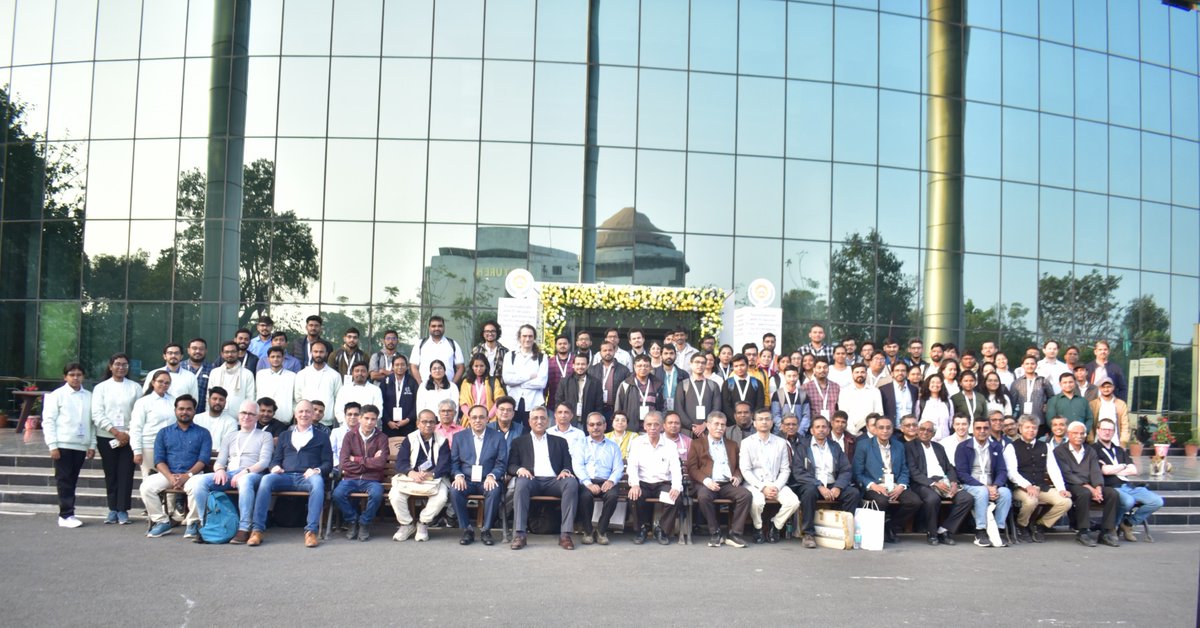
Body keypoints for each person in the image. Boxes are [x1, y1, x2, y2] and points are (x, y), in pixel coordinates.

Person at [249, 400, 332, 547]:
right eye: (301, 411)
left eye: (307, 411)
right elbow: (275, 459)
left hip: (307, 477)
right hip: (285, 476)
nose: (304, 414)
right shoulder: (285, 435)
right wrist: (274, 467)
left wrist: (316, 470)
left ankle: (311, 531)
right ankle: (257, 530)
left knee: (318, 482)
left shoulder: (322, 436)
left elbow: (328, 463)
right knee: (266, 480)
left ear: (312, 414)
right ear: (295, 414)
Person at [191, 401, 273, 544]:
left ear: (257, 417)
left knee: (245, 480)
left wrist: (245, 472)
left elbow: (264, 462)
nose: (246, 416)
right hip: (230, 474)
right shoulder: (230, 436)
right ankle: (207, 523)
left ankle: (244, 528)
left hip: (253, 474)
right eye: (243, 413)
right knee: (200, 482)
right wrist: (220, 470)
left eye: (251, 414)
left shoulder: (265, 436)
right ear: (238, 415)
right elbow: (220, 461)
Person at [505, 405, 579, 550]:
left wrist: (565, 471)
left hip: (554, 481)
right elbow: (511, 465)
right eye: (535, 418)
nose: (539, 421)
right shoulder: (519, 442)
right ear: (529, 421)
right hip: (531, 480)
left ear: (548, 421)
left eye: (542, 418)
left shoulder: (560, 441)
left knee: (571, 482)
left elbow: (568, 464)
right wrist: (520, 469)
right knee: (521, 483)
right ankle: (520, 534)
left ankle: (565, 535)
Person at [141, 395, 211, 539]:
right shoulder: (164, 433)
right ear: (175, 411)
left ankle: (192, 523)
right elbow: (159, 460)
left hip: (193, 475)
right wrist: (170, 477)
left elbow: (203, 460)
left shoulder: (203, 433)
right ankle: (161, 521)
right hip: (168, 474)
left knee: (197, 487)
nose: (184, 412)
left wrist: (187, 475)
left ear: (194, 411)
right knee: (146, 487)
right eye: (181, 409)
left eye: (188, 409)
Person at [682, 412, 749, 548]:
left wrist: (737, 476)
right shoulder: (697, 444)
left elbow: (739, 466)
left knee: (745, 495)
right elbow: (692, 468)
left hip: (727, 483)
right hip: (706, 483)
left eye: (723, 425)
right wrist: (706, 481)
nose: (720, 428)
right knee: (704, 496)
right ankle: (715, 532)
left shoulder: (732, 445)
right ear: (708, 425)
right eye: (716, 424)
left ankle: (734, 534)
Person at [793, 415, 860, 548]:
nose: (821, 430)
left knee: (853, 493)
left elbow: (846, 469)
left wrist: (838, 486)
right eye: (817, 427)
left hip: (832, 483)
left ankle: (843, 530)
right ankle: (808, 534)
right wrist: (819, 485)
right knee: (809, 492)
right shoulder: (803, 446)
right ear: (812, 430)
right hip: (812, 483)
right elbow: (798, 472)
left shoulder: (835, 446)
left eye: (824, 427)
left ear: (828, 430)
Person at [1004, 415, 1072, 543]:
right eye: (1027, 427)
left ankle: (1040, 525)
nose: (1031, 430)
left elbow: (1053, 469)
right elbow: (1011, 472)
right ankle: (1022, 526)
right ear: (1020, 429)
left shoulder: (1045, 446)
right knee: (1031, 501)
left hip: (1042, 487)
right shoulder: (1011, 447)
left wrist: (1061, 489)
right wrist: (1027, 485)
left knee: (1065, 502)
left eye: (1034, 428)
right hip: (1021, 488)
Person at [853, 415, 920, 544]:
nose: (885, 431)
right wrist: (873, 485)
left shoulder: (899, 446)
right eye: (881, 428)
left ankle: (890, 525)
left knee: (914, 501)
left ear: (892, 429)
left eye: (888, 428)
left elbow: (904, 469)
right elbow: (857, 473)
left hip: (895, 485)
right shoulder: (863, 445)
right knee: (882, 501)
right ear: (875, 429)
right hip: (874, 485)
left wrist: (901, 486)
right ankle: (881, 531)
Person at [1093, 418, 1162, 542]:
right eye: (1104, 429)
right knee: (1128, 501)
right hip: (1110, 488)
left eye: (1110, 430)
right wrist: (1123, 466)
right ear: (1098, 430)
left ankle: (1128, 523)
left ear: (1114, 432)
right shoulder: (1093, 449)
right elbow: (1104, 471)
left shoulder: (1119, 450)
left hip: (1128, 486)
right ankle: (1112, 527)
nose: (1107, 432)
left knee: (1157, 501)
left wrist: (1115, 468)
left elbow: (1134, 470)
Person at [905, 419, 973, 545]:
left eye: (929, 430)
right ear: (918, 431)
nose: (925, 432)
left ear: (933, 433)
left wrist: (953, 482)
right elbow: (913, 472)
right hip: (923, 483)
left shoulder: (938, 447)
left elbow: (949, 467)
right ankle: (932, 533)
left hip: (944, 481)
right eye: (922, 429)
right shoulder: (909, 446)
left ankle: (944, 529)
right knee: (932, 499)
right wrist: (934, 484)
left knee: (966, 498)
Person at [44, 363, 95, 529]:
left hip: (81, 445)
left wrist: (92, 444)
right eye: (72, 374)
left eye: (79, 375)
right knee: (64, 480)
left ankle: (69, 513)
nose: (75, 378)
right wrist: (52, 445)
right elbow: (48, 421)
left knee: (72, 480)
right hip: (62, 444)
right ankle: (65, 515)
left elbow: (92, 423)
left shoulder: (89, 396)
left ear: (83, 377)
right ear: (65, 377)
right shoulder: (57, 395)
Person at [449, 404, 508, 546]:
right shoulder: (459, 437)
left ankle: (486, 530)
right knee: (455, 490)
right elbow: (454, 463)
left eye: (481, 417)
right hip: (466, 479)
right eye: (474, 417)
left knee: (494, 490)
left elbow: (501, 463)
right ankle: (467, 529)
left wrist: (492, 475)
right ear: (469, 419)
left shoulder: (498, 437)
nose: (477, 420)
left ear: (488, 419)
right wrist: (458, 475)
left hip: (487, 479)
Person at [91, 353, 140, 525]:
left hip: (129, 437)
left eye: (124, 364)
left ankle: (123, 509)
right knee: (110, 473)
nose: (121, 367)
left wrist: (127, 433)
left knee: (126, 473)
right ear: (110, 366)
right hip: (106, 436)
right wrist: (115, 432)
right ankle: (112, 508)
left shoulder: (135, 387)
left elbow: (138, 413)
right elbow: (97, 413)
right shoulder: (101, 388)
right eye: (117, 364)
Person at [1054, 420, 1120, 547]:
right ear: (1068, 434)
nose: (1079, 436)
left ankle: (1106, 532)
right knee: (1084, 493)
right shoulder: (1060, 451)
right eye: (1075, 433)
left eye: (1082, 433)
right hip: (1072, 485)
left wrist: (1098, 488)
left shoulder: (1090, 450)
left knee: (1112, 493)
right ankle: (1083, 531)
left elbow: (1095, 471)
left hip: (1091, 485)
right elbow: (1067, 474)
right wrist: (1090, 489)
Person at [390, 410, 452, 543]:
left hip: (434, 478)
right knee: (395, 495)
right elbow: (401, 462)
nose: (428, 425)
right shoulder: (410, 438)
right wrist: (411, 473)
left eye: (431, 422)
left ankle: (423, 523)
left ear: (436, 424)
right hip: (411, 477)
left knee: (441, 497)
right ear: (418, 423)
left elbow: (445, 464)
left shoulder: (442, 440)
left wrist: (432, 474)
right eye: (424, 422)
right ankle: (406, 524)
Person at [739, 409, 799, 544]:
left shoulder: (781, 443)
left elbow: (785, 470)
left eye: (767, 419)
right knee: (757, 502)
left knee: (793, 502)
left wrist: (776, 486)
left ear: (772, 423)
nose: (764, 422)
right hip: (755, 484)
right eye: (760, 419)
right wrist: (762, 487)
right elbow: (745, 470)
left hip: (776, 483)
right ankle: (758, 527)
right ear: (754, 423)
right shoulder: (747, 443)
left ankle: (775, 526)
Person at [332, 405, 390, 541]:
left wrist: (357, 460)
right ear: (360, 418)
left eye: (373, 419)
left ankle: (364, 523)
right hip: (351, 478)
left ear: (377, 420)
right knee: (337, 494)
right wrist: (370, 461)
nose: (369, 422)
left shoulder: (382, 437)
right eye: (366, 418)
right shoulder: (349, 436)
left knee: (376, 494)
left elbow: (380, 463)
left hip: (372, 479)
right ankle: (352, 521)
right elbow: (344, 462)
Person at [954, 416, 1012, 547]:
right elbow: (961, 473)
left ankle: (999, 530)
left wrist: (995, 486)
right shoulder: (963, 447)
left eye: (985, 428)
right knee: (982, 492)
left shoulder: (996, 447)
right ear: (973, 430)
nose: (982, 431)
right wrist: (985, 487)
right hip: (971, 485)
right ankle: (980, 531)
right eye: (978, 428)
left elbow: (1002, 470)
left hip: (992, 485)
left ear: (990, 430)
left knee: (1005, 493)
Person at [627, 412, 683, 545]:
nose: (652, 428)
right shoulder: (637, 443)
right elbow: (632, 466)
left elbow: (676, 468)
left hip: (662, 484)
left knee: (675, 498)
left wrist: (676, 487)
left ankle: (661, 530)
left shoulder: (670, 445)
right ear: (644, 426)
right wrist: (634, 484)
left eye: (656, 424)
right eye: (649, 424)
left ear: (662, 427)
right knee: (634, 496)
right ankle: (641, 529)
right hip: (643, 483)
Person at [573, 412, 624, 545]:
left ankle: (601, 530)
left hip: (606, 481)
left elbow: (618, 467)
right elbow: (577, 466)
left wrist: (611, 480)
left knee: (612, 496)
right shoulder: (581, 444)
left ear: (605, 426)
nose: (595, 427)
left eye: (598, 424)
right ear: (587, 427)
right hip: (587, 481)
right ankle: (588, 531)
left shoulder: (613, 446)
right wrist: (588, 483)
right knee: (584, 496)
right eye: (592, 425)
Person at [129, 370, 177, 481]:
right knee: (149, 481)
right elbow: (136, 428)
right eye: (160, 381)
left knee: (169, 480)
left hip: (171, 447)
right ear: (153, 382)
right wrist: (137, 451)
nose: (163, 385)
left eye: (167, 383)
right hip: (149, 446)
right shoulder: (143, 402)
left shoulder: (174, 401)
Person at [500, 324, 548, 428]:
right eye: (524, 336)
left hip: (534, 402)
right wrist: (529, 376)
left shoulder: (542, 357)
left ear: (534, 338)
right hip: (513, 402)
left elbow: (541, 383)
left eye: (530, 336)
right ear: (519, 337)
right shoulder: (510, 356)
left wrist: (517, 382)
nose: (527, 339)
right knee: (512, 431)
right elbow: (507, 379)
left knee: (532, 432)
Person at [294, 340, 342, 426]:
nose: (318, 354)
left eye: (321, 352)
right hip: (305, 421)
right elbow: (298, 397)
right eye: (315, 351)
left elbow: (338, 399)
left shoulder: (335, 375)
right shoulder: (302, 374)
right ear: (311, 353)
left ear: (326, 353)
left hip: (327, 423)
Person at [676, 353, 723, 437]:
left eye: (703, 363)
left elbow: (717, 408)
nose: (700, 365)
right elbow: (679, 408)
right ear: (691, 364)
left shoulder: (713, 385)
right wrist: (692, 427)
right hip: (687, 431)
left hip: (708, 430)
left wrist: (705, 424)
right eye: (697, 362)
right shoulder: (683, 385)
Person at [615, 354, 663, 432]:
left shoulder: (657, 384)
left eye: (646, 366)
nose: (643, 368)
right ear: (634, 367)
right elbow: (618, 408)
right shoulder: (625, 384)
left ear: (650, 367)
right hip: (631, 429)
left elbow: (662, 407)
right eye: (639, 366)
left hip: (652, 429)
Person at [411, 315, 465, 384]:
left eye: (440, 326)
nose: (437, 328)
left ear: (444, 327)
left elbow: (460, 367)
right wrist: (421, 385)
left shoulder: (452, 344)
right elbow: (413, 366)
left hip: (448, 387)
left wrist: (452, 385)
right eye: (433, 326)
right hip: (425, 387)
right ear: (429, 328)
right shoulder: (420, 344)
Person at [207, 340, 257, 413]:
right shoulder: (215, 372)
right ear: (222, 354)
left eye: (233, 352)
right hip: (216, 415)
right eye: (227, 352)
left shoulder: (247, 374)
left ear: (238, 353)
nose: (230, 354)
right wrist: (209, 414)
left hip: (238, 417)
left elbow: (250, 398)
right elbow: (208, 396)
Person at [1010, 355, 1055, 434]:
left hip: (1040, 420)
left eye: (1032, 364)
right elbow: (1012, 402)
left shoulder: (1043, 381)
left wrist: (1047, 405)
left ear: (1036, 365)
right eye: (1027, 364)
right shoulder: (1016, 383)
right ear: (1023, 366)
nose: (1030, 366)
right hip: (1022, 420)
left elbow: (1052, 398)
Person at [381, 354, 419, 448]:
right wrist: (388, 421)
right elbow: (381, 403)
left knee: (407, 449)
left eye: (402, 364)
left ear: (407, 366)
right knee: (389, 449)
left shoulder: (412, 382)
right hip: (389, 424)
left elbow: (417, 404)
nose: (400, 367)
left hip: (407, 424)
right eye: (397, 365)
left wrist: (407, 420)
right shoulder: (386, 381)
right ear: (392, 367)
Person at [588, 340, 630, 423]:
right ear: (600, 352)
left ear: (614, 351)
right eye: (605, 350)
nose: (607, 352)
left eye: (610, 350)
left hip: (614, 409)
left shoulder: (624, 370)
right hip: (596, 409)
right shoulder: (592, 370)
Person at [556, 353, 603, 426]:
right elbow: (559, 401)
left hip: (588, 423)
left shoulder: (595, 383)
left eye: (583, 364)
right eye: (578, 364)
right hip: (569, 422)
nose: (580, 367)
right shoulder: (564, 381)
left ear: (587, 365)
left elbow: (599, 405)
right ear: (573, 365)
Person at [256, 346, 297, 424]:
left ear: (283, 358)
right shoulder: (260, 374)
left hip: (284, 419)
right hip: (262, 418)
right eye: (272, 357)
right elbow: (256, 394)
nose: (275, 359)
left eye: (278, 357)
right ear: (268, 359)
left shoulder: (292, 376)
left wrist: (292, 413)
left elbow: (295, 399)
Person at [460, 354, 506, 421]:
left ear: (486, 366)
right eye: (476, 366)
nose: (479, 369)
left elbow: (499, 401)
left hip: (490, 420)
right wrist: (472, 417)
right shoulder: (466, 382)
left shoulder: (493, 381)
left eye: (481, 366)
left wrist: (487, 417)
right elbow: (463, 404)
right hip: (470, 420)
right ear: (472, 367)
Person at [841, 364, 883, 437]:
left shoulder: (875, 391)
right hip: (850, 432)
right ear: (852, 374)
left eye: (862, 372)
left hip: (871, 432)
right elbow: (843, 413)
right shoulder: (844, 392)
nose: (860, 374)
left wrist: (871, 429)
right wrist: (853, 431)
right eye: (857, 372)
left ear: (866, 374)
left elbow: (879, 413)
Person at [769, 365, 811, 436]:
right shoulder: (778, 394)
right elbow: (775, 415)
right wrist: (785, 429)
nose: (792, 379)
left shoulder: (803, 394)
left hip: (799, 434)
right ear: (784, 377)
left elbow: (806, 416)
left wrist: (799, 431)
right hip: (780, 433)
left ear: (798, 376)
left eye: (794, 376)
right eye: (789, 376)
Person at [1089, 378, 1131, 445]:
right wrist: (1091, 441)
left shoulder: (1121, 404)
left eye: (1108, 387)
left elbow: (1125, 425)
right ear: (1099, 388)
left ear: (1113, 387)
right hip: (1097, 442)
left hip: (1116, 442)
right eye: (1103, 387)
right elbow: (1090, 424)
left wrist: (1123, 442)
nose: (1106, 389)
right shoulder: (1093, 404)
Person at [879, 361, 918, 426]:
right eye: (897, 370)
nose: (900, 373)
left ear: (907, 374)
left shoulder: (914, 390)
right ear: (892, 373)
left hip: (910, 428)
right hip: (892, 428)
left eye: (903, 370)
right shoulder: (883, 390)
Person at [181, 338, 214, 412]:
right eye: (194, 348)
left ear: (206, 351)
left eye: (201, 349)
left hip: (202, 413)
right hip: (181, 412)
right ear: (188, 350)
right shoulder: (180, 367)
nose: (198, 351)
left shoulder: (212, 369)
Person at [654, 345, 687, 412]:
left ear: (676, 355)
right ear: (661, 356)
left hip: (678, 410)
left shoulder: (683, 374)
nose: (668, 356)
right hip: (659, 410)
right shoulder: (654, 373)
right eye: (666, 353)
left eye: (671, 353)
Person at [329, 403, 361, 468]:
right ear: (345, 416)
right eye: (349, 414)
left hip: (360, 467)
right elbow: (331, 451)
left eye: (356, 414)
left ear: (360, 416)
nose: (352, 417)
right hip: (339, 468)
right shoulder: (336, 432)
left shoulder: (365, 433)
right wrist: (339, 465)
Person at [546, 334, 573, 408]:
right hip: (553, 403)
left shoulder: (576, 361)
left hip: (572, 404)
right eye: (560, 344)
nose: (562, 346)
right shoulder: (549, 362)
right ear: (556, 345)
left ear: (569, 345)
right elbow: (545, 385)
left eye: (565, 343)